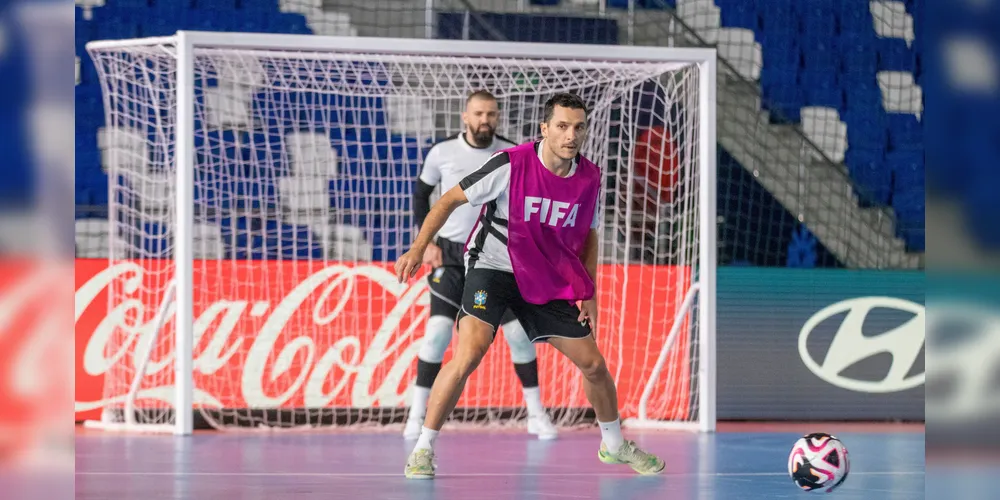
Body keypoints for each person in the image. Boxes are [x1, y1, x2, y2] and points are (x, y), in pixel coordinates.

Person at [395, 92, 666, 479]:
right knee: (469, 351)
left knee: (594, 364)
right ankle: (423, 447)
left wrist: (588, 292)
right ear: (545, 128)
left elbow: (589, 236)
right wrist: (420, 248)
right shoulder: (510, 162)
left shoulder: (589, 177)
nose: (571, 135)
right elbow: (447, 201)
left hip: (545, 277)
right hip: (493, 267)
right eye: (562, 126)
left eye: (578, 127)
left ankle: (614, 443)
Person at [405, 90, 558, 441]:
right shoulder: (441, 152)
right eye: (477, 114)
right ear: (465, 116)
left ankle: (536, 414)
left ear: (498, 116)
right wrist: (425, 241)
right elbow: (421, 196)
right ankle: (416, 417)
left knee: (519, 335)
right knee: (437, 335)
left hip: (494, 259)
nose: (484, 120)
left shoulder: (513, 153)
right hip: (451, 257)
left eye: (490, 114)